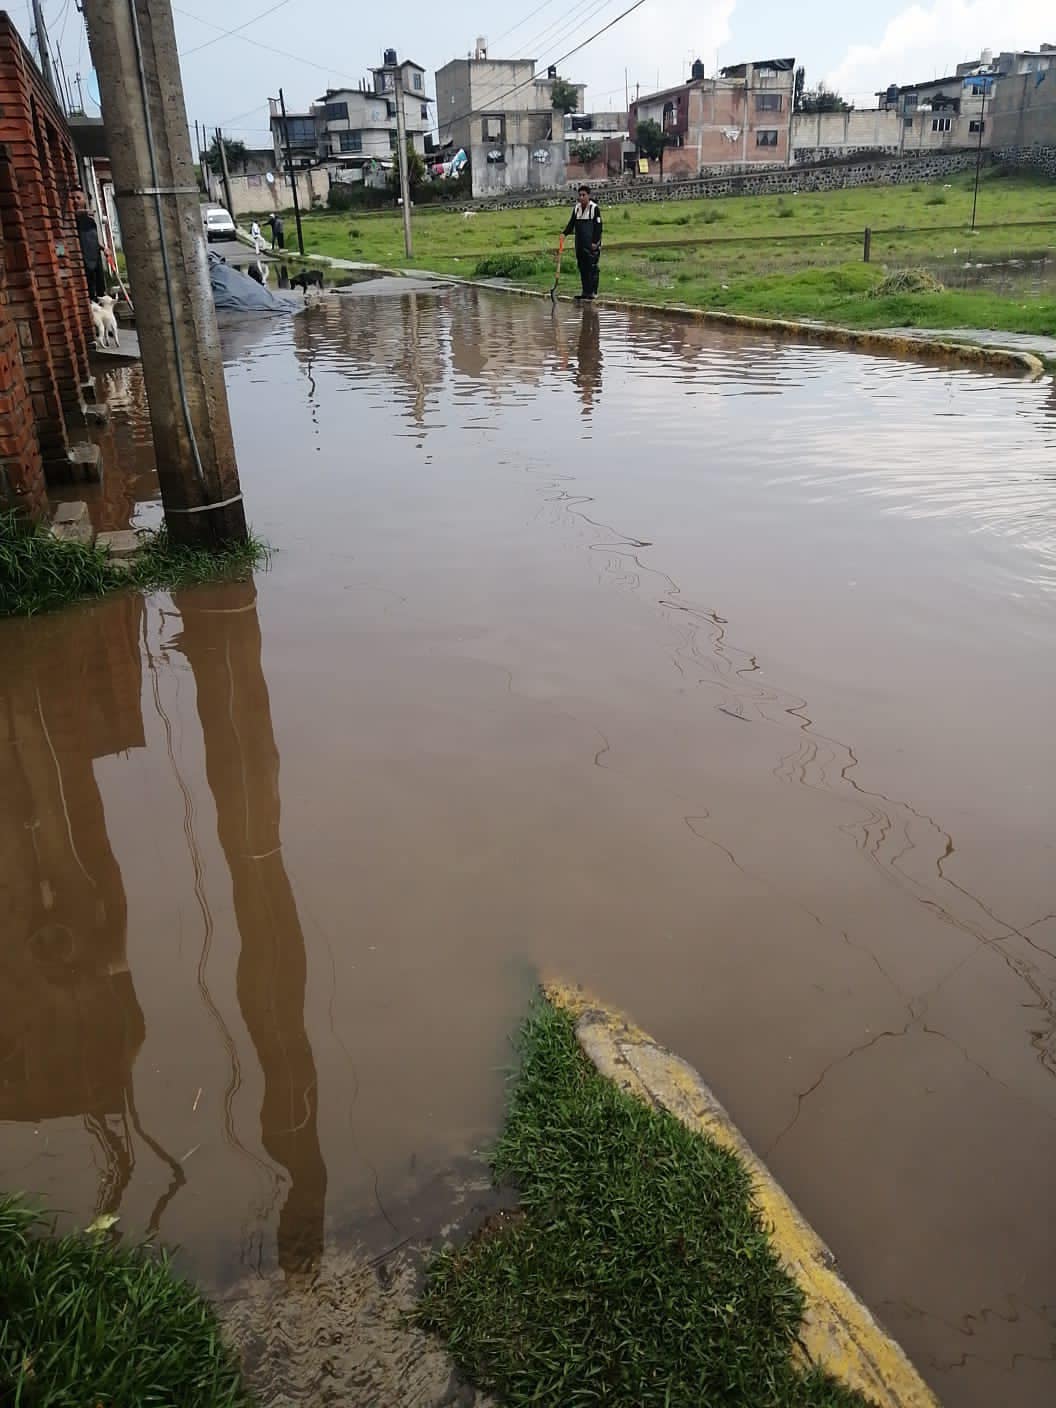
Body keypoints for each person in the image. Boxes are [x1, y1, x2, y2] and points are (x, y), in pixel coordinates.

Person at [563, 185, 602, 301]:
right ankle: (585, 291)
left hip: (591, 243)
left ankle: (593, 292)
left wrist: (595, 242)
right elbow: (571, 224)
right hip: (580, 242)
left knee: (592, 267)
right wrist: (564, 234)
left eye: (584, 195)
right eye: (580, 195)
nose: (581, 197)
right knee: (582, 266)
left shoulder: (594, 208)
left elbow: (598, 226)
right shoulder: (576, 208)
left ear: (588, 196)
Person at [74, 194, 106, 299]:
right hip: (84, 260)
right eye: (73, 198)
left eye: (78, 198)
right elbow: (76, 213)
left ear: (84, 200)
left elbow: (94, 239)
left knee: (100, 288)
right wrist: (86, 211)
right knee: (90, 290)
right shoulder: (73, 221)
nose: (75, 201)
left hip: (95, 258)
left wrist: (104, 248)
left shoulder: (91, 221)